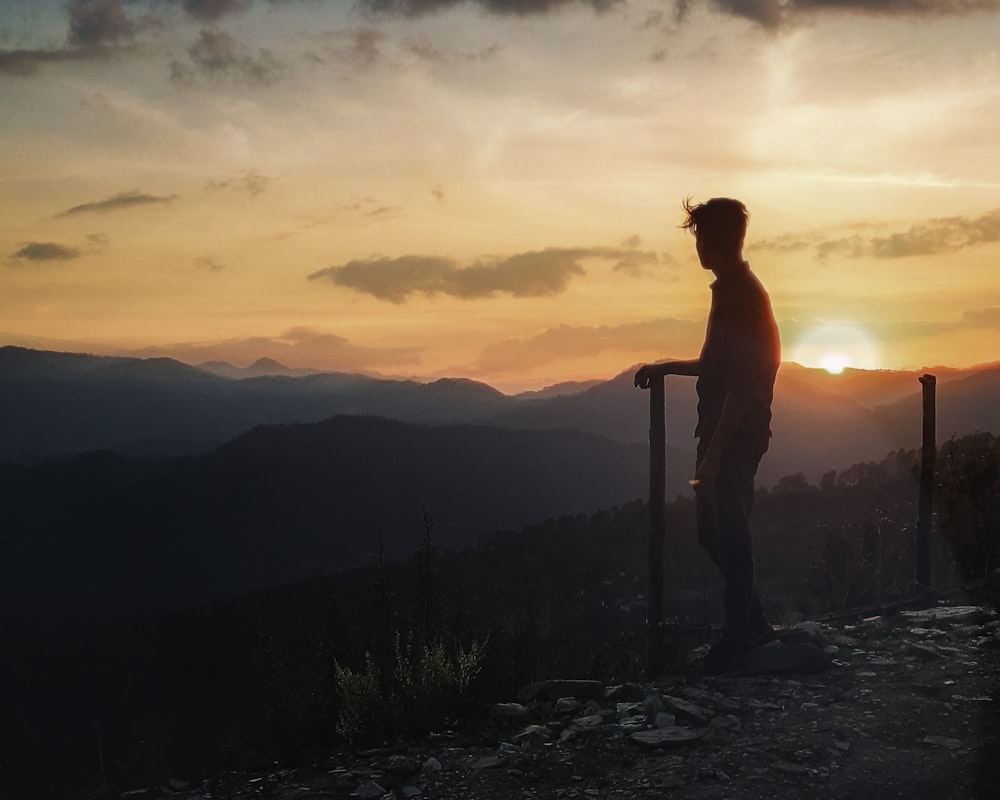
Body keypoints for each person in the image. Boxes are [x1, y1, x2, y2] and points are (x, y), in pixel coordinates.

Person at [634, 197, 781, 674]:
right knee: (711, 532)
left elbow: (741, 385)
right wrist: (666, 367)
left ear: (713, 240)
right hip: (722, 429)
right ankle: (752, 626)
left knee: (729, 533)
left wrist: (714, 455)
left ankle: (739, 640)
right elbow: (718, 365)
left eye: (699, 235)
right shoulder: (732, 290)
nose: (695, 244)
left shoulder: (740, 296)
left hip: (733, 433)